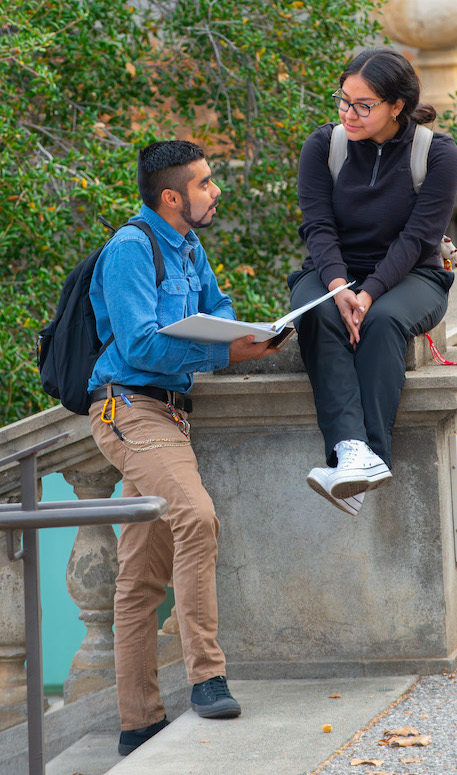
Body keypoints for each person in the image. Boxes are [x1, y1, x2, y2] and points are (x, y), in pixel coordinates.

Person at [87, 140, 277, 756]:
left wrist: (250, 334)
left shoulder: (191, 248)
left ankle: (137, 722)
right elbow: (140, 346)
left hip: (170, 414)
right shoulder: (130, 250)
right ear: (173, 197)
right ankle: (207, 675)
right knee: (196, 517)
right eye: (204, 183)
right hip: (127, 410)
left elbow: (216, 311)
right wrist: (224, 352)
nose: (214, 191)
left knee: (141, 576)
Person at [288, 48, 457, 516]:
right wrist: (340, 285)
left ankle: (366, 462)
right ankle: (353, 453)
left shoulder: (437, 153)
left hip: (414, 274)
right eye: (343, 100)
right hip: (330, 270)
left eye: (363, 105)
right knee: (319, 313)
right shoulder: (324, 145)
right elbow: (317, 226)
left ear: (396, 106)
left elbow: (418, 238)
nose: (348, 113)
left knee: (382, 320)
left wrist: (368, 293)